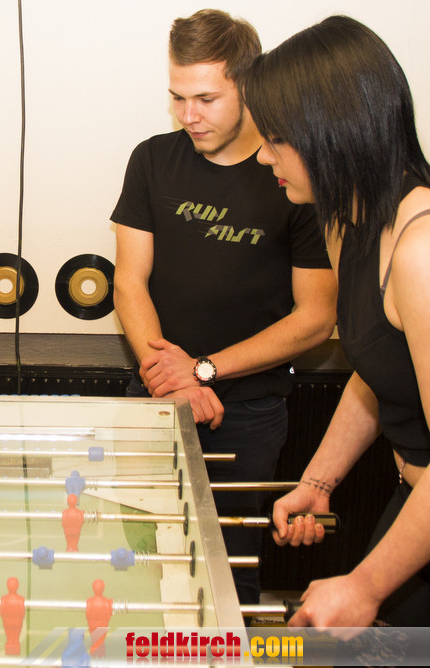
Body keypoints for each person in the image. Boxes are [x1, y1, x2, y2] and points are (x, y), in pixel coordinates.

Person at [110, 9, 337, 604]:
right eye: (177, 97)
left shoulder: (294, 174)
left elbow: (315, 317)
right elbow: (128, 283)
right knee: (142, 566)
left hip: (248, 411)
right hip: (157, 394)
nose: (189, 115)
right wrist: (173, 379)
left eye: (206, 99)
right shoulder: (152, 159)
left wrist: (203, 370)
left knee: (228, 576)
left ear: (249, 86)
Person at [243, 15, 430, 630]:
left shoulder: (421, 249)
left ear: (335, 134)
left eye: (276, 139)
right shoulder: (346, 220)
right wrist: (319, 481)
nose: (263, 155)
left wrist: (366, 585)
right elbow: (378, 369)